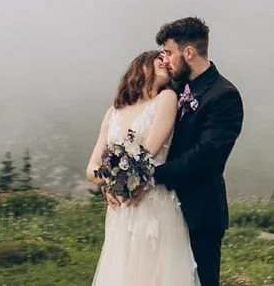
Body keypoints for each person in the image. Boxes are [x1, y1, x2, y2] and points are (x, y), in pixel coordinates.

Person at [85, 49, 199, 286]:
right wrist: (109, 183)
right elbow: (91, 168)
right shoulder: (113, 112)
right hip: (121, 211)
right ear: (141, 66)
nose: (166, 63)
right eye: (159, 59)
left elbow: (148, 151)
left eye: (168, 61)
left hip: (152, 201)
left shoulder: (166, 98)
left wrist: (120, 178)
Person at [152, 17, 243, 286]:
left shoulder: (223, 95)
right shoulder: (171, 89)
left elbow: (207, 157)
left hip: (198, 214)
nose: (165, 59)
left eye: (169, 53)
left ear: (189, 52)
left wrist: (150, 175)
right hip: (160, 210)